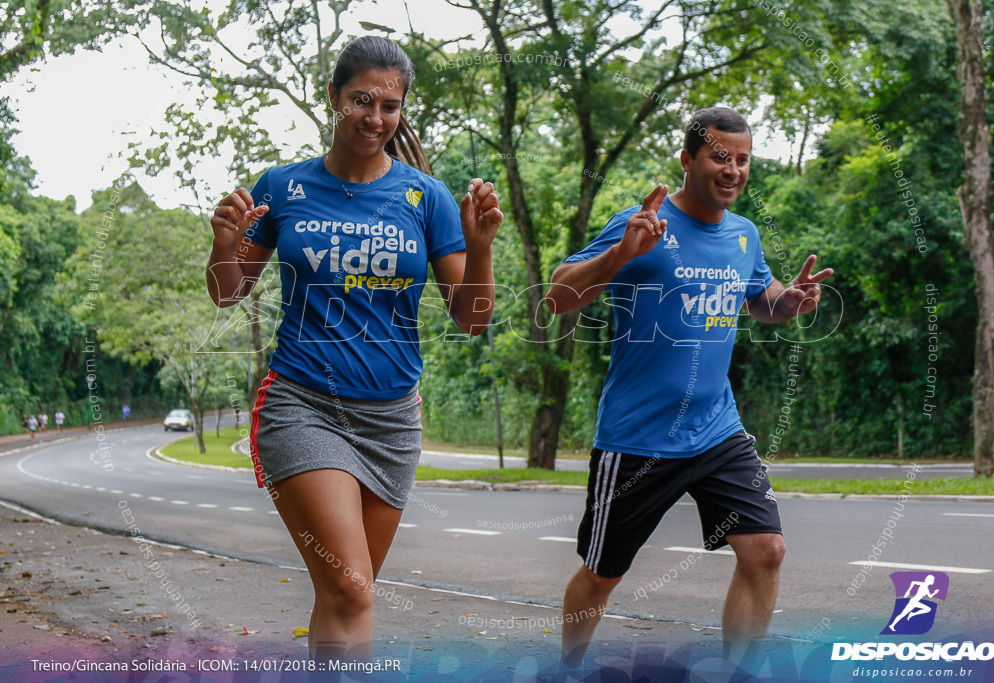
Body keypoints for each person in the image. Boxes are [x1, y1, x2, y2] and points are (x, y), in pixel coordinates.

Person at [205, 36, 501, 663]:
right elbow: (230, 295)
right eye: (361, 100)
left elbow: (472, 318)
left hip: (392, 419)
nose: (375, 117)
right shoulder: (283, 187)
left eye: (390, 106)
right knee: (351, 588)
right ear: (333, 97)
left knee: (344, 594)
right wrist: (222, 244)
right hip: (303, 404)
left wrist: (480, 248)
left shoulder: (427, 198)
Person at [546, 107, 834, 675]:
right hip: (638, 435)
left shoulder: (744, 234)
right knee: (603, 574)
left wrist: (791, 301)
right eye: (720, 157)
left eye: (743, 159)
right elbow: (557, 296)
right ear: (688, 160)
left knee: (766, 550)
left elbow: (761, 300)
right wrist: (620, 254)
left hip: (716, 429)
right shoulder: (643, 223)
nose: (733, 169)